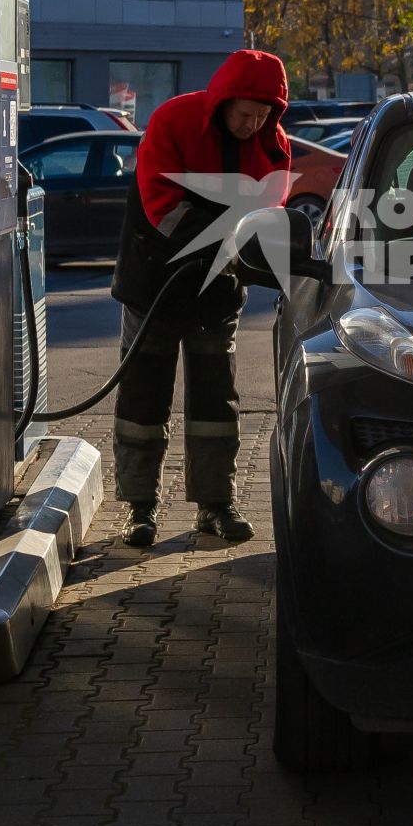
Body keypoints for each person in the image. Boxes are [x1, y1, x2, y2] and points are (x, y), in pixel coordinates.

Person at [109, 50, 292, 547]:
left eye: (264, 115)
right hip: (155, 283)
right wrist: (225, 243)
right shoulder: (173, 122)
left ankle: (215, 504)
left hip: (217, 293)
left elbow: (266, 216)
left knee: (216, 400)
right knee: (144, 396)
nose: (254, 124)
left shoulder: (272, 148)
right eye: (245, 113)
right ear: (223, 102)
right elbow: (162, 205)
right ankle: (138, 507)